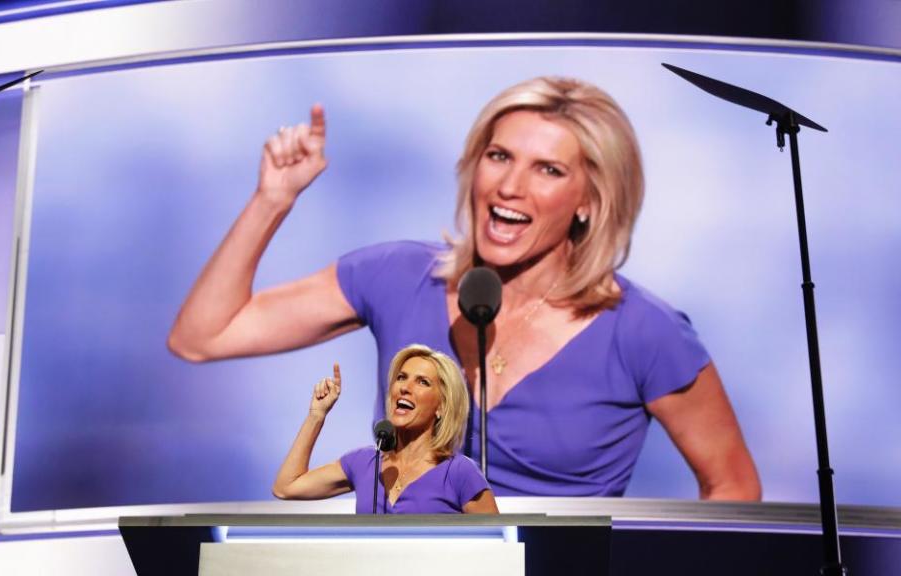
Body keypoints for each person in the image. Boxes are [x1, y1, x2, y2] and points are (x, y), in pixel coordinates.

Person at [169, 76, 762, 500]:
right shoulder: (397, 277)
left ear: (589, 202)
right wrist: (273, 199)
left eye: (548, 170)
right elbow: (203, 337)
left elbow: (732, 484)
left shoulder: (645, 331)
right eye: (498, 156)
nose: (510, 186)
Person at [272, 344, 498, 514]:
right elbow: (286, 487)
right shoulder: (365, 462)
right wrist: (316, 415)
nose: (405, 388)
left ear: (442, 406)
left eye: (422, 382)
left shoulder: (459, 473)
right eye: (401, 378)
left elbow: (497, 553)